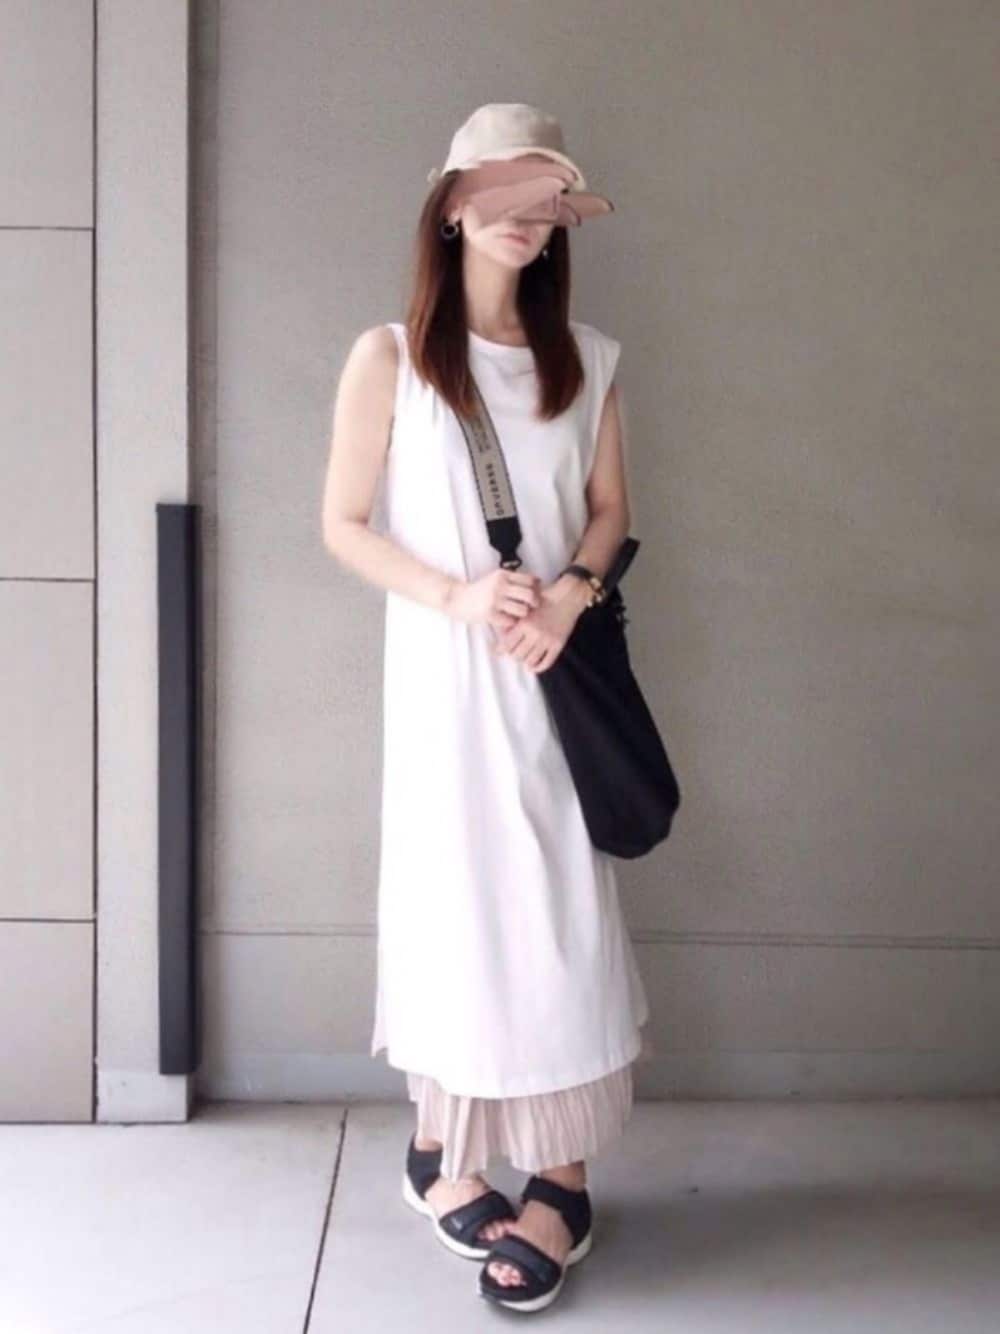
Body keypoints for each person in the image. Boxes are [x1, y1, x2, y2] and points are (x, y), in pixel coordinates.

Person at [321, 103, 652, 1313]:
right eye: (502, 194)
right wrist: (457, 595)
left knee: (557, 919)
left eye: (545, 200)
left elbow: (609, 512)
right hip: (446, 684)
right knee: (453, 911)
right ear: (452, 208)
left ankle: (559, 1175)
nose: (525, 218)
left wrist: (568, 593)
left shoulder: (589, 360)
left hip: (554, 684)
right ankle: (443, 1153)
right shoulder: (390, 358)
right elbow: (342, 523)